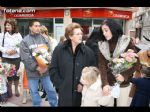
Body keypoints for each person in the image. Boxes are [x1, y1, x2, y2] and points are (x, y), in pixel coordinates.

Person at [50, 22, 96, 106]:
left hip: (81, 93)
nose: (80, 36)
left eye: (81, 34)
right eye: (77, 34)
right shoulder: (59, 49)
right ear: (70, 36)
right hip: (64, 93)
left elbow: (93, 71)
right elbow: (53, 69)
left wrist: (83, 83)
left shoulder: (88, 52)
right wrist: (60, 84)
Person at [98, 19, 140, 106]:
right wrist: (105, 84)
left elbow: (136, 63)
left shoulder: (126, 42)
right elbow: (102, 66)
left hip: (123, 83)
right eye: (103, 31)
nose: (104, 33)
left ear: (113, 29)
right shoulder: (102, 45)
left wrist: (124, 75)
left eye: (106, 30)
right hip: (108, 83)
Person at [20, 19, 58, 106]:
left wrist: (46, 67)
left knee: (51, 90)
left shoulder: (45, 39)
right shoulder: (25, 41)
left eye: (39, 26)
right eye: (36, 26)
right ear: (30, 27)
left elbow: (50, 53)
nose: (38, 28)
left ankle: (54, 105)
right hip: (32, 72)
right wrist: (37, 68)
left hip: (45, 72)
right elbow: (26, 58)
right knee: (34, 93)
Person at [0, 19, 22, 97]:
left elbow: (21, 45)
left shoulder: (18, 35)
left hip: (16, 57)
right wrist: (6, 51)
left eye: (9, 25)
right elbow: (0, 46)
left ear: (13, 26)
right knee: (8, 75)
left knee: (16, 75)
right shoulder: (2, 35)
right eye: (6, 25)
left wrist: (15, 51)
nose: (7, 26)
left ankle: (16, 89)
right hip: (6, 58)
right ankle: (10, 91)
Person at [40, 25, 58, 101]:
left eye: (40, 33)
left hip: (50, 61)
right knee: (43, 78)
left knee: (50, 79)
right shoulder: (40, 40)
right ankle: (44, 92)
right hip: (42, 61)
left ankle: (49, 95)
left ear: (44, 32)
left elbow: (54, 51)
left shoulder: (52, 40)